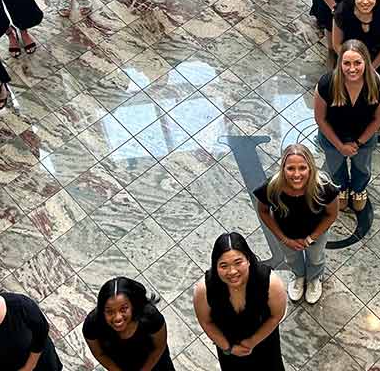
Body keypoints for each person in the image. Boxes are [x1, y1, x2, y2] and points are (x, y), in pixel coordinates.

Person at [254, 144, 340, 305]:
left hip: (316, 233)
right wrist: (284, 238)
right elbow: (263, 211)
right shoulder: (272, 187)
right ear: (283, 168)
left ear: (310, 167)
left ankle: (314, 278)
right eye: (290, 168)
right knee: (292, 258)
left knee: (316, 257)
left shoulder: (323, 186)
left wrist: (311, 238)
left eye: (302, 168)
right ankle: (299, 276)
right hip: (286, 234)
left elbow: (332, 214)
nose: (296, 174)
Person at [193, 232, 288, 371]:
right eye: (223, 266)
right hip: (228, 346)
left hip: (264, 341)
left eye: (238, 263)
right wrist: (228, 348)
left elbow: (276, 316)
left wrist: (252, 342)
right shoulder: (204, 289)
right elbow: (206, 322)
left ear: (248, 260)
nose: (232, 272)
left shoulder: (269, 282)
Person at [314, 40, 380, 212]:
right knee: (335, 166)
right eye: (347, 63)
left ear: (366, 62)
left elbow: (378, 119)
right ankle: (341, 188)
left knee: (362, 166)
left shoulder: (378, 85)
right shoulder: (327, 84)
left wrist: (358, 143)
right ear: (340, 63)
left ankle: (358, 189)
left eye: (357, 63)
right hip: (333, 137)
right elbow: (320, 118)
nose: (352, 69)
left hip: (363, 138)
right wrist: (340, 146)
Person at [83, 277, 176, 371]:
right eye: (109, 312)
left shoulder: (150, 316)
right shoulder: (93, 324)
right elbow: (100, 354)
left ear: (133, 305)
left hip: (155, 362)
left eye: (123, 309)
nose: (117, 318)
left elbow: (159, 347)